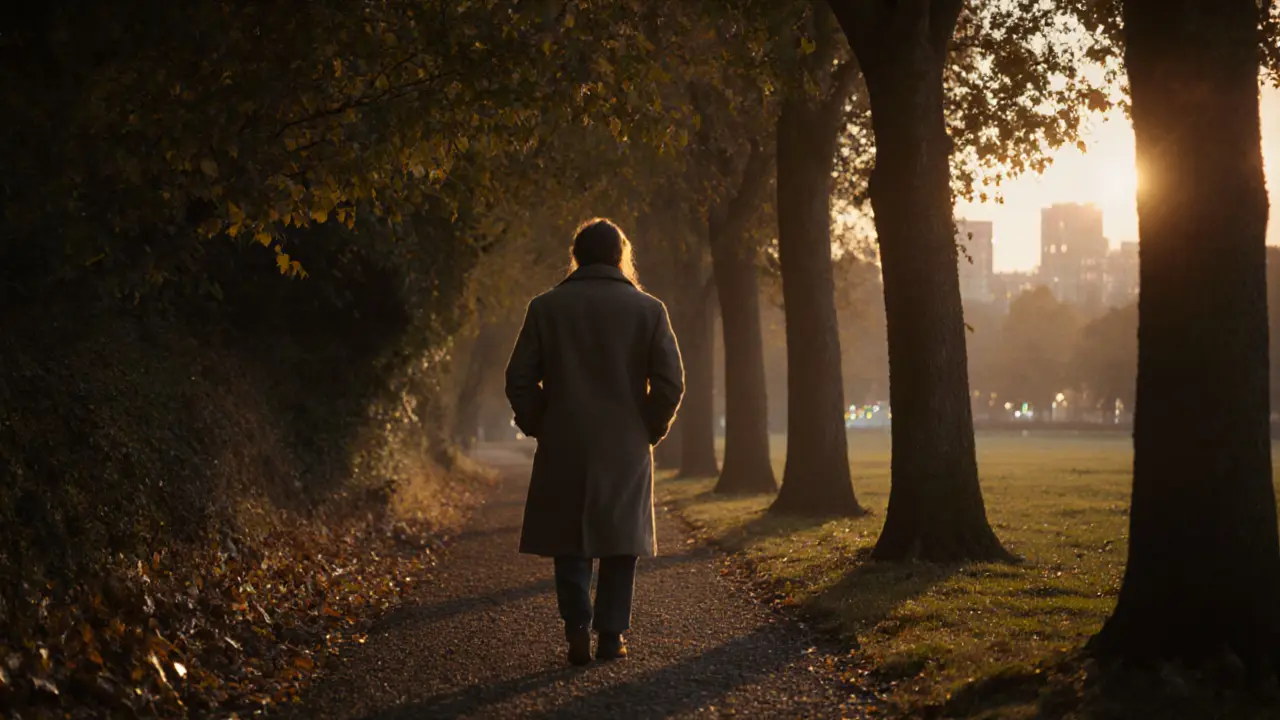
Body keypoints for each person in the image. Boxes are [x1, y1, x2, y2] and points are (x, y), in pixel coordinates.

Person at [505, 218, 684, 666]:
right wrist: (650, 428)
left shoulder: (545, 307)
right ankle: (611, 634)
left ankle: (576, 627)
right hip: (625, 442)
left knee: (570, 539)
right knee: (621, 541)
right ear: (620, 255)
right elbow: (670, 383)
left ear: (577, 255)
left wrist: (540, 423)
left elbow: (519, 379)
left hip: (564, 439)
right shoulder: (649, 309)